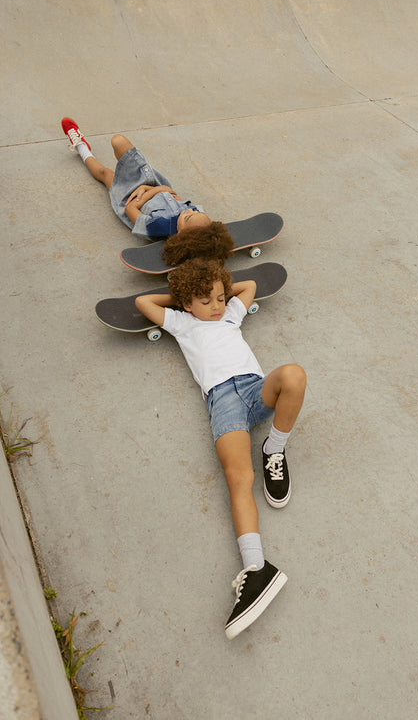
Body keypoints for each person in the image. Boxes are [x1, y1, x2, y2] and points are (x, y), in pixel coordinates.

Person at [135, 257, 307, 639]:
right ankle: (257, 569)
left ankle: (274, 449)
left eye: (218, 297)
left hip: (253, 387)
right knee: (238, 478)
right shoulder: (182, 322)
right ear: (186, 304)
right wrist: (180, 295)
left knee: (294, 374)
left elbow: (248, 289)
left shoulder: (229, 315)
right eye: (205, 300)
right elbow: (144, 304)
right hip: (222, 403)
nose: (215, 306)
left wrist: (218, 289)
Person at [61, 117, 211, 239]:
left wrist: (147, 191)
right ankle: (83, 147)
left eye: (188, 217)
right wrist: (150, 188)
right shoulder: (192, 214)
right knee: (119, 143)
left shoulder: (158, 227)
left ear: (181, 234)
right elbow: (171, 192)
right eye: (195, 212)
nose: (189, 211)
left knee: (105, 170)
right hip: (152, 185)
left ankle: (81, 146)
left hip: (128, 196)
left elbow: (130, 209)